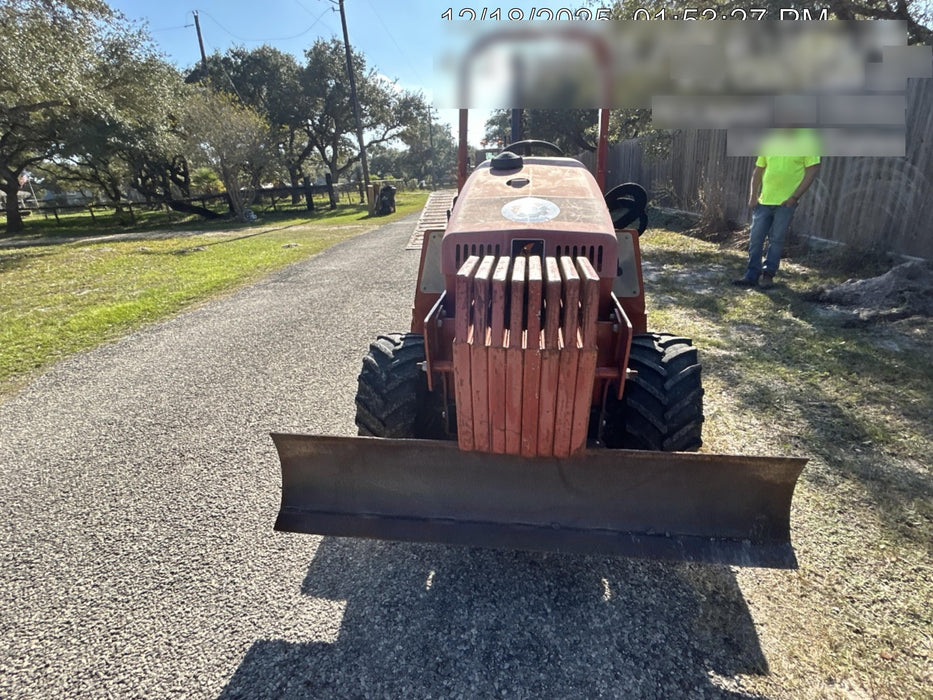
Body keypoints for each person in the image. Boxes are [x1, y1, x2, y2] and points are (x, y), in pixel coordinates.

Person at [734, 129, 821, 289]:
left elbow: (813, 169)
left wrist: (795, 197)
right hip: (764, 201)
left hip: (786, 203)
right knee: (755, 239)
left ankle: (768, 275)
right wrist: (753, 195)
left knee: (776, 240)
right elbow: (758, 170)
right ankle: (751, 275)